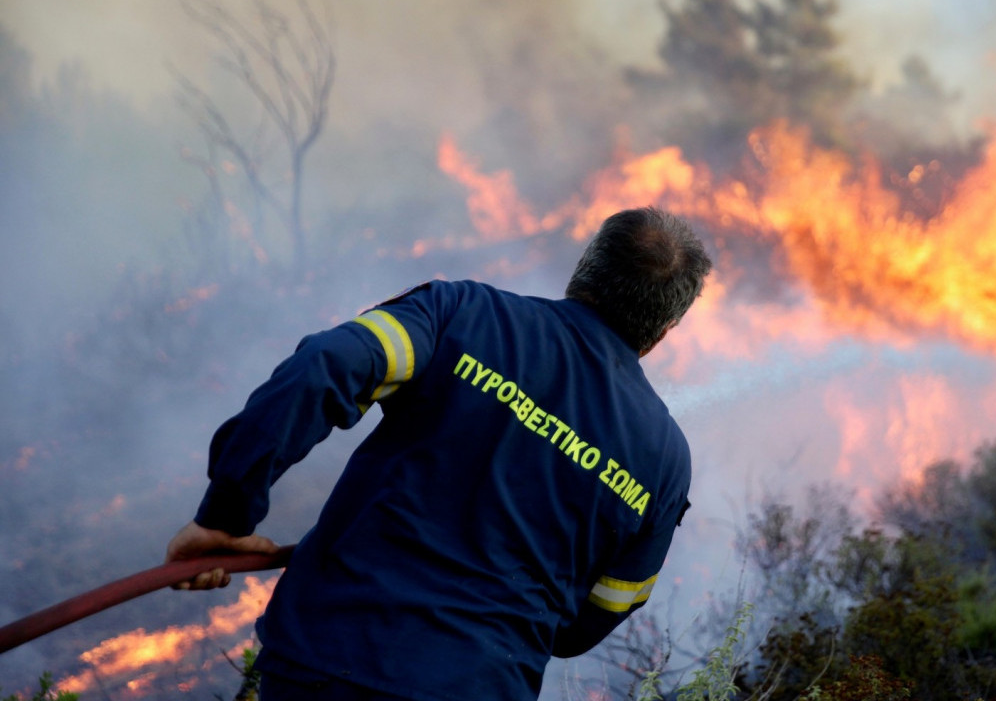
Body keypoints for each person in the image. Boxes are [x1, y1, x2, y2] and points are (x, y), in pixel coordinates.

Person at [164, 207, 713, 700]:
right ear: (664, 331)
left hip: (327, 657)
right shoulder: (666, 464)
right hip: (479, 683)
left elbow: (322, 368)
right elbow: (601, 612)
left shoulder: (461, 313)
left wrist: (226, 516)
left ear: (584, 270)